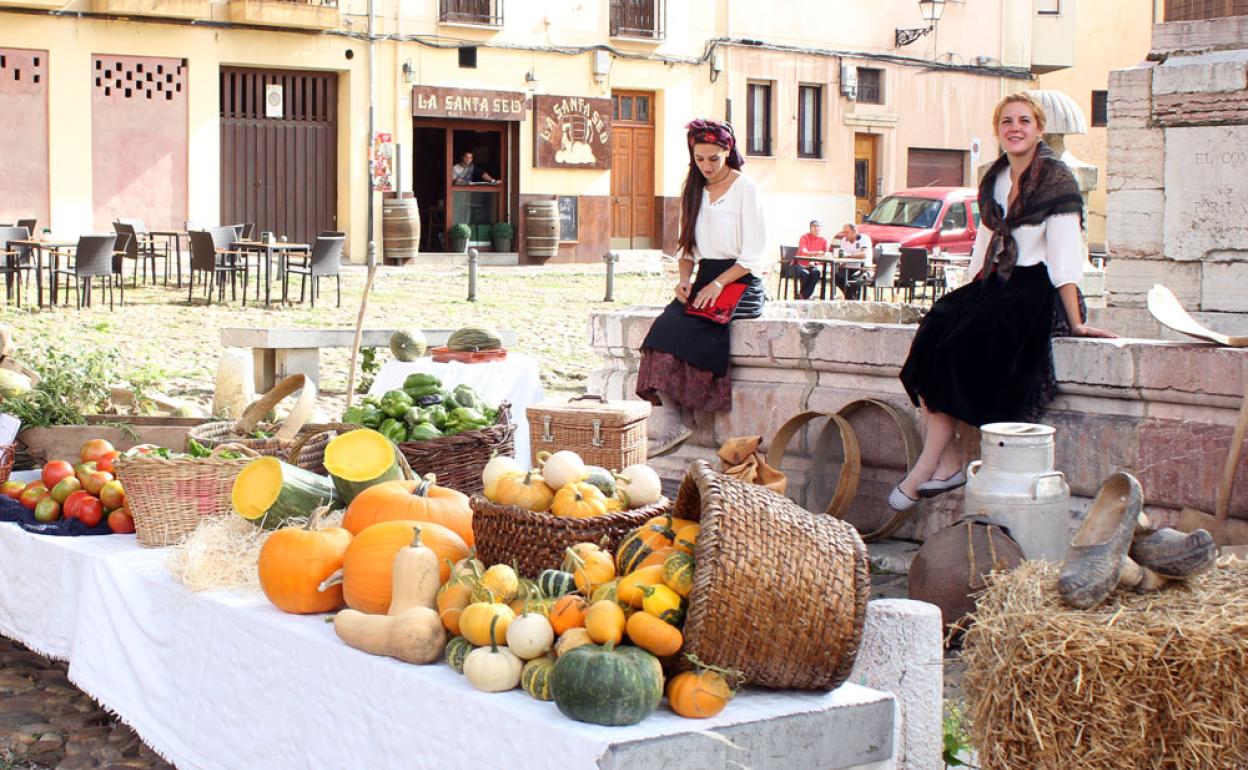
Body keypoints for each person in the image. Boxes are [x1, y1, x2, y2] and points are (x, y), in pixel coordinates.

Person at [890, 92, 1116, 513]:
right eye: (1007, 121)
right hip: (996, 282)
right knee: (932, 336)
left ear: (1039, 129)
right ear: (998, 130)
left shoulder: (1056, 179)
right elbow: (986, 241)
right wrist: (969, 291)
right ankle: (951, 461)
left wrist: (1076, 321)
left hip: (1035, 289)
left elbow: (1065, 256)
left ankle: (925, 469)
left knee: (958, 350)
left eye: (1024, 121)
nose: (1015, 128)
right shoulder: (995, 178)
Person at [635, 119, 768, 457]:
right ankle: (675, 420)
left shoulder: (746, 188)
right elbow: (687, 249)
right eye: (699, 159)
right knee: (661, 333)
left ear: (728, 152)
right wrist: (684, 279)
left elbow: (753, 254)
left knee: (699, 327)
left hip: (740, 278)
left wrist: (719, 283)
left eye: (714, 158)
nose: (706, 166)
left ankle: (684, 418)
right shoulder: (693, 190)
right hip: (706, 276)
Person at [833, 222, 873, 300]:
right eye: (843, 232)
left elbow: (864, 254)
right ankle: (851, 297)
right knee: (837, 276)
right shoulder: (844, 241)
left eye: (847, 232)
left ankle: (851, 298)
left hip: (862, 268)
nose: (845, 234)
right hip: (848, 267)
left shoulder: (864, 239)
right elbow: (842, 254)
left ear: (854, 232)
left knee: (855, 279)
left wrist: (849, 255)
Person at [789, 220, 826, 300]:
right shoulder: (804, 237)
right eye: (814, 226)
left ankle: (803, 296)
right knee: (805, 274)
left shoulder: (823, 240)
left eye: (818, 227)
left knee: (816, 272)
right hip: (799, 264)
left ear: (821, 229)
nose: (816, 228)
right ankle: (805, 296)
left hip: (814, 265)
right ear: (810, 228)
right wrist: (816, 253)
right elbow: (803, 251)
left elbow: (825, 254)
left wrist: (817, 263)